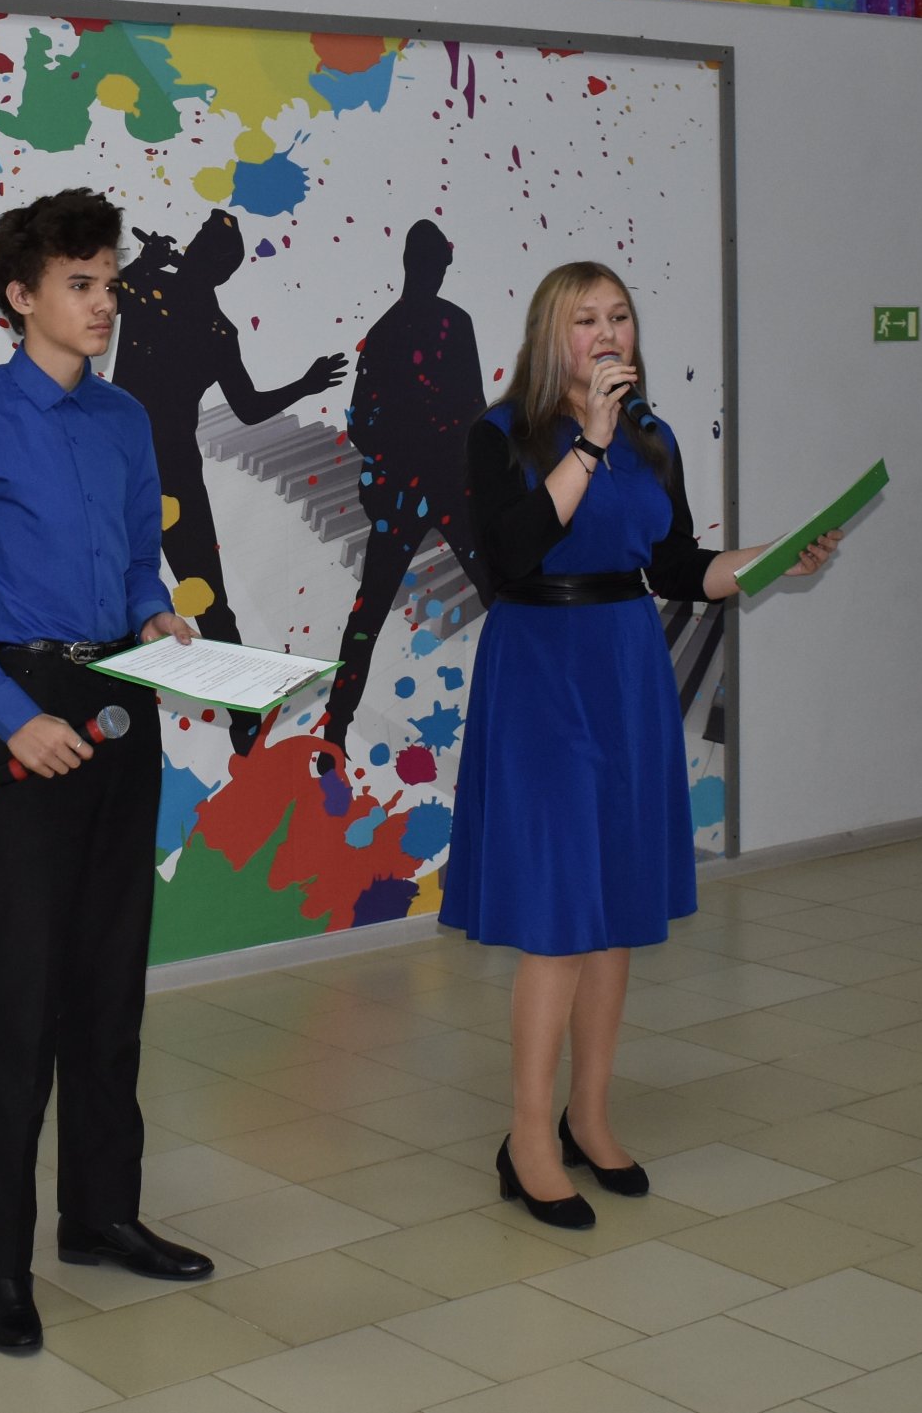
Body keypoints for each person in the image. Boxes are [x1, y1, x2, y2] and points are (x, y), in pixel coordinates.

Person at [440, 261, 840, 1230]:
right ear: (550, 336)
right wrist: (587, 439)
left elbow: (676, 567)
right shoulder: (501, 433)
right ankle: (527, 1139)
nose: (608, 333)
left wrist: (775, 557)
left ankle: (588, 1115)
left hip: (624, 667)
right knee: (558, 917)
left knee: (613, 907)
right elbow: (510, 555)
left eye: (619, 315)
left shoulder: (652, 437)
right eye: (586, 319)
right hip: (539, 671)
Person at [0, 189, 213, 1354]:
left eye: (108, 281)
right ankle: (0, 1264)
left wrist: (156, 614)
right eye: (80, 283)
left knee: (111, 982)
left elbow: (135, 563)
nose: (103, 302)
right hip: (20, 707)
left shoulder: (125, 418)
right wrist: (13, 716)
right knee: (25, 1001)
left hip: (123, 700)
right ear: (21, 295)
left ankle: (101, 1215)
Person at [113, 210, 345, 754]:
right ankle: (241, 710)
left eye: (207, 249)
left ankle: (243, 707)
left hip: (147, 464)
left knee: (204, 594)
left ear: (218, 267)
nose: (195, 252)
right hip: (133, 461)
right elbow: (99, 296)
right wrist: (142, 266)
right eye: (200, 243)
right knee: (184, 593)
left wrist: (304, 385)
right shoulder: (186, 308)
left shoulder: (192, 312)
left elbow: (246, 406)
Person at [323, 219, 489, 760]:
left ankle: (335, 728)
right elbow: (474, 411)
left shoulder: (386, 331)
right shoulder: (452, 323)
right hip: (444, 485)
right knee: (497, 595)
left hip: (406, 490)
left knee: (369, 612)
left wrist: (390, 463)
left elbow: (360, 422)